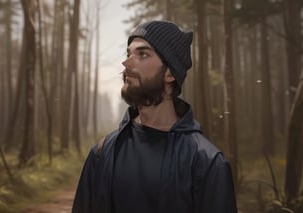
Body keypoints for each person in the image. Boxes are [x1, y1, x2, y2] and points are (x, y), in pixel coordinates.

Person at [72, 20, 237, 213]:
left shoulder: (206, 163)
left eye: (142, 54)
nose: (126, 63)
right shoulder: (102, 153)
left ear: (170, 74)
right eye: (128, 54)